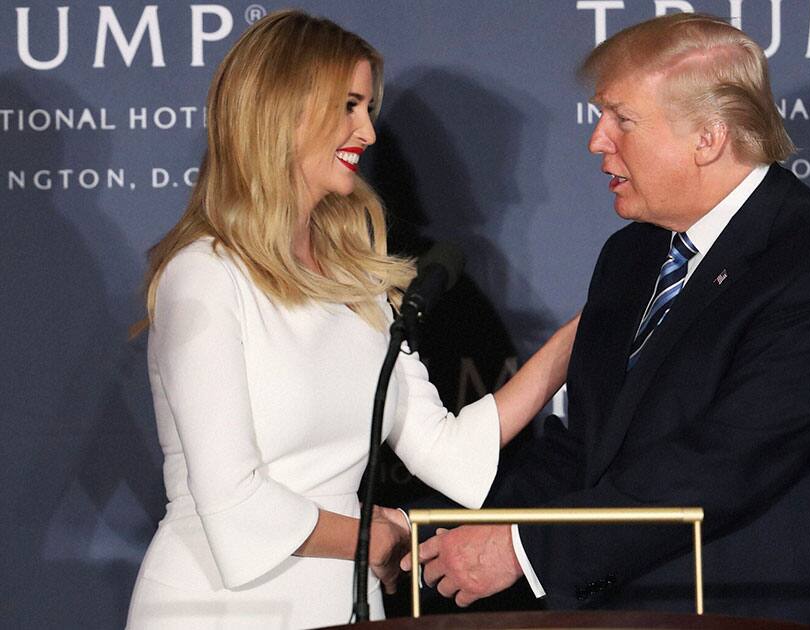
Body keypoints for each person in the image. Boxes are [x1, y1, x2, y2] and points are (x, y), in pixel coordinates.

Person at [404, 13, 810, 630]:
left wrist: (523, 548)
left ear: (708, 138)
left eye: (621, 119)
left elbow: (722, 464)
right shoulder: (632, 256)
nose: (597, 140)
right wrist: (441, 532)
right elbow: (588, 450)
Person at [125, 10, 577, 629]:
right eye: (348, 105)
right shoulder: (205, 275)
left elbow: (447, 450)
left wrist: (580, 336)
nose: (366, 129)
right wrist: (377, 538)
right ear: (282, 111)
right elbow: (231, 503)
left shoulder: (358, 283)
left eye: (367, 107)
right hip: (217, 605)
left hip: (341, 599)